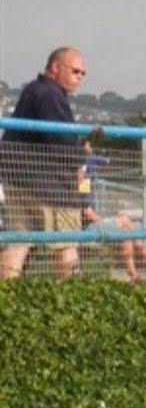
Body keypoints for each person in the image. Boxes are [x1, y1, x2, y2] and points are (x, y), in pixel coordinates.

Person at [1, 47, 96, 280]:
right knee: (66, 245)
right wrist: (82, 152)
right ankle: (73, 302)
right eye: (75, 71)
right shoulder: (51, 94)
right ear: (55, 67)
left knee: (19, 242)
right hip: (48, 186)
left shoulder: (33, 91)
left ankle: (6, 300)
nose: (80, 77)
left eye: (83, 73)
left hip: (16, 180)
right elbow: (62, 143)